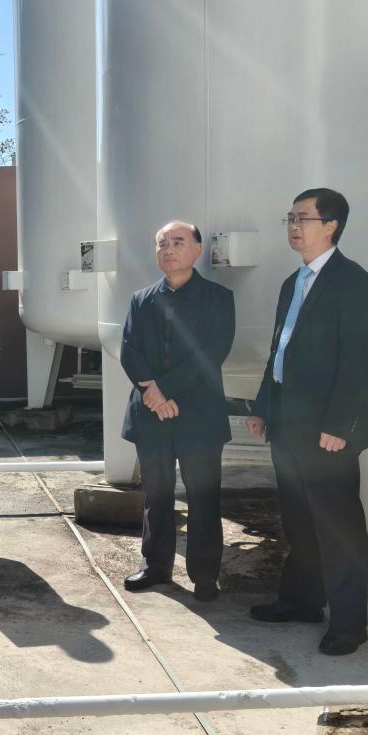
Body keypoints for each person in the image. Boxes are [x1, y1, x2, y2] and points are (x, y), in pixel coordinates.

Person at [246, 188, 368, 656]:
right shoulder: (292, 282)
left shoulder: (354, 282)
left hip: (327, 431)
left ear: (332, 225)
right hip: (287, 423)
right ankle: (302, 601)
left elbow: (357, 361)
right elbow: (279, 350)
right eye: (290, 218)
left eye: (303, 218)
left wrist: (339, 425)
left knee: (338, 528)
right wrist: (263, 407)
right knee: (298, 520)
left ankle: (349, 625)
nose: (293, 226)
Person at [119, 221, 236, 602]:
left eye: (178, 242)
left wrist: (163, 390)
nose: (168, 249)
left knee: (203, 496)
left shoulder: (218, 298)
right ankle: (155, 567)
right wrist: (152, 393)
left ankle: (205, 575)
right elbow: (129, 349)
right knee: (156, 495)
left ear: (198, 249)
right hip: (150, 414)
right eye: (161, 243)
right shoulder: (141, 299)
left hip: (199, 414)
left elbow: (211, 353)